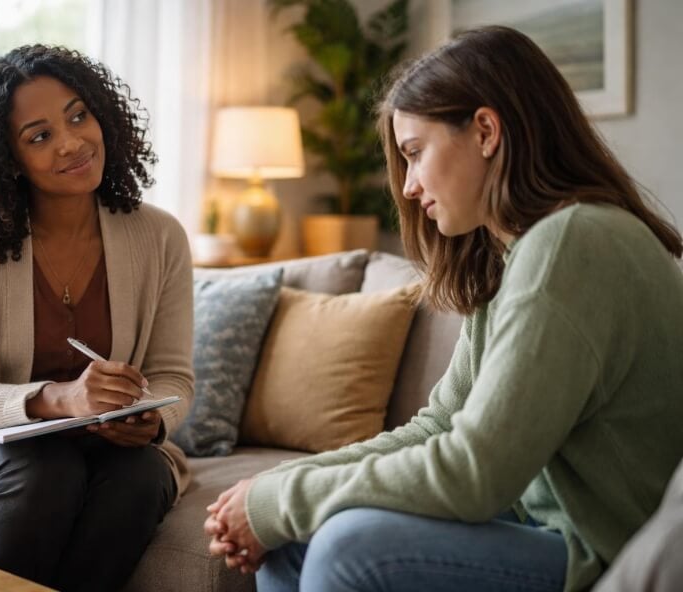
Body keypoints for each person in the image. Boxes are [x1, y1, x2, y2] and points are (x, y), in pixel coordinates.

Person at [204, 25, 683, 592]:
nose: (407, 187)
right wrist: (278, 486)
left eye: (415, 154)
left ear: (485, 131)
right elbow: (436, 426)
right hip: (545, 531)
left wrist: (283, 499)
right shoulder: (515, 258)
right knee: (294, 539)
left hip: (602, 552)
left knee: (348, 546)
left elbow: (473, 473)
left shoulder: (573, 243)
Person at [0, 44, 194, 591]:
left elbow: (172, 375)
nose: (71, 143)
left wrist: (149, 419)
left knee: (142, 475)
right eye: (40, 136)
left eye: (78, 116)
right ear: (7, 157)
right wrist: (61, 398)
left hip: (98, 449)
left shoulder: (159, 237)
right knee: (43, 470)